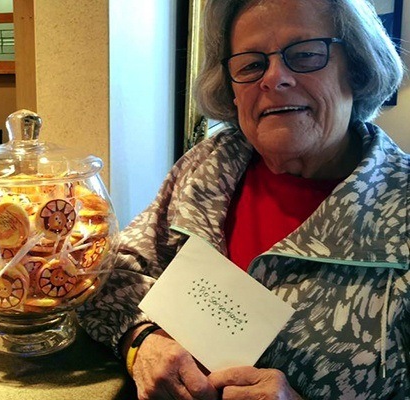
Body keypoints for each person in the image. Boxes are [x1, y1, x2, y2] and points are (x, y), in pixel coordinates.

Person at [77, 0, 408, 398]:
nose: (274, 78)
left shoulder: (399, 208)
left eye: (304, 55)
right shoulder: (208, 165)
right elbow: (109, 273)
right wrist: (140, 342)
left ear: (355, 68)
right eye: (251, 65)